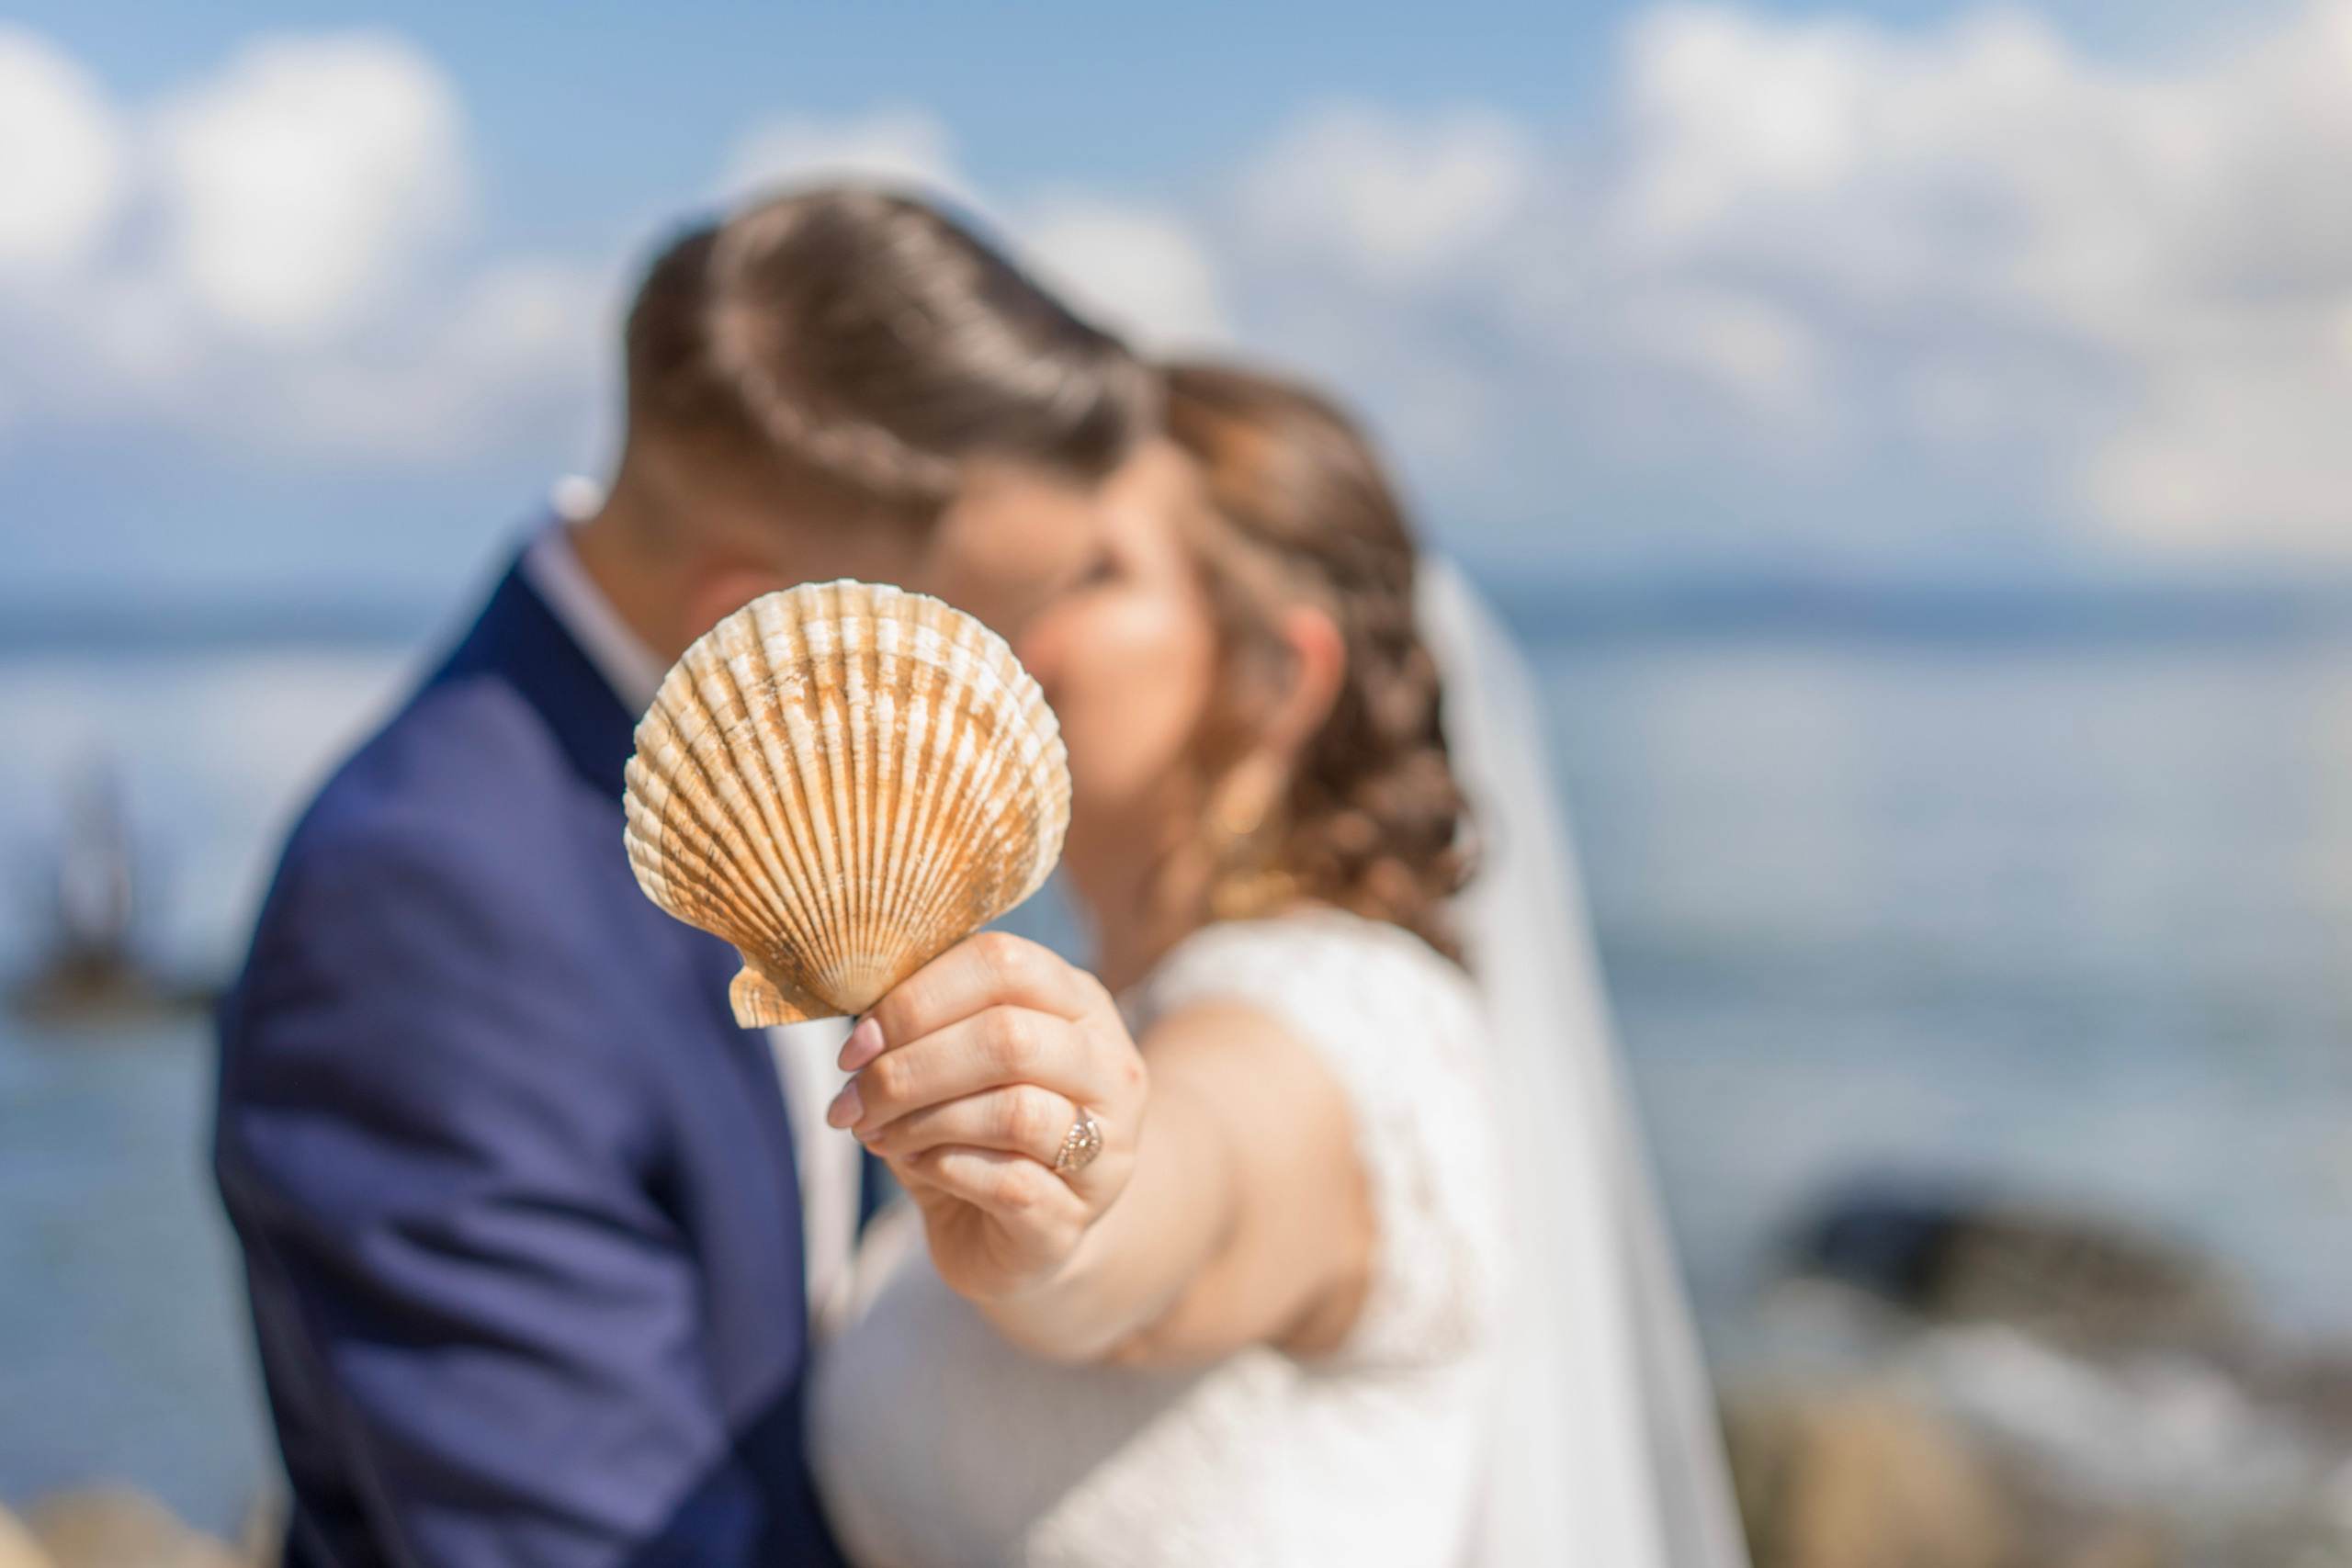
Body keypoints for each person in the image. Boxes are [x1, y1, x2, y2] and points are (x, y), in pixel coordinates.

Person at [210, 186, 1156, 1568]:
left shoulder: (787, 805)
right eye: (995, 624)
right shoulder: (422, 908)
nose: (1040, 672)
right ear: (750, 618)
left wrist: (1059, 1195)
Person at [807, 364, 1510, 1564]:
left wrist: (1072, 1194)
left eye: (1091, 571)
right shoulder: (1147, 1009)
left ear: (1277, 678)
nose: (1008, 606)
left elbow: (1188, 1189)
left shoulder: (1330, 1024)